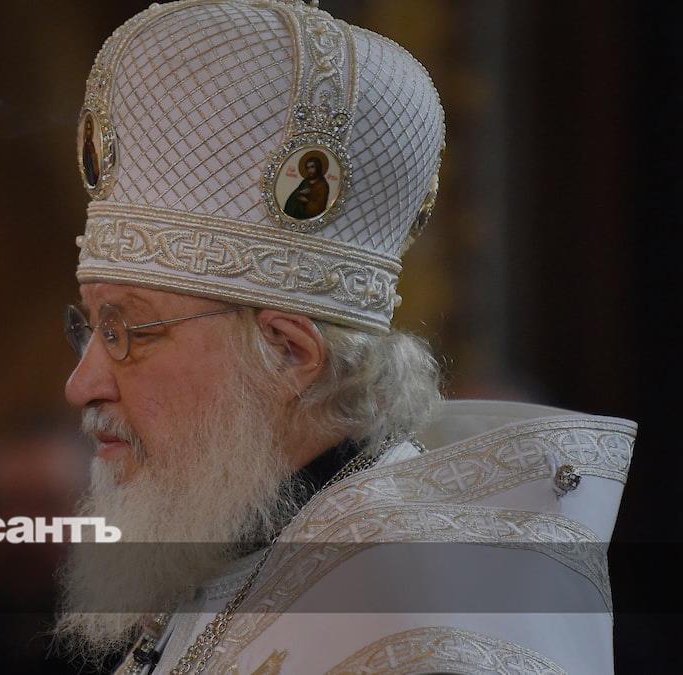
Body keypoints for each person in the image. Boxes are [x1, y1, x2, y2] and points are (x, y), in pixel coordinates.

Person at [54, 1, 635, 673]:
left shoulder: (417, 621)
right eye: (90, 327)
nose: (81, 383)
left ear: (288, 353)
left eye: (125, 331)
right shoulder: (247, 550)